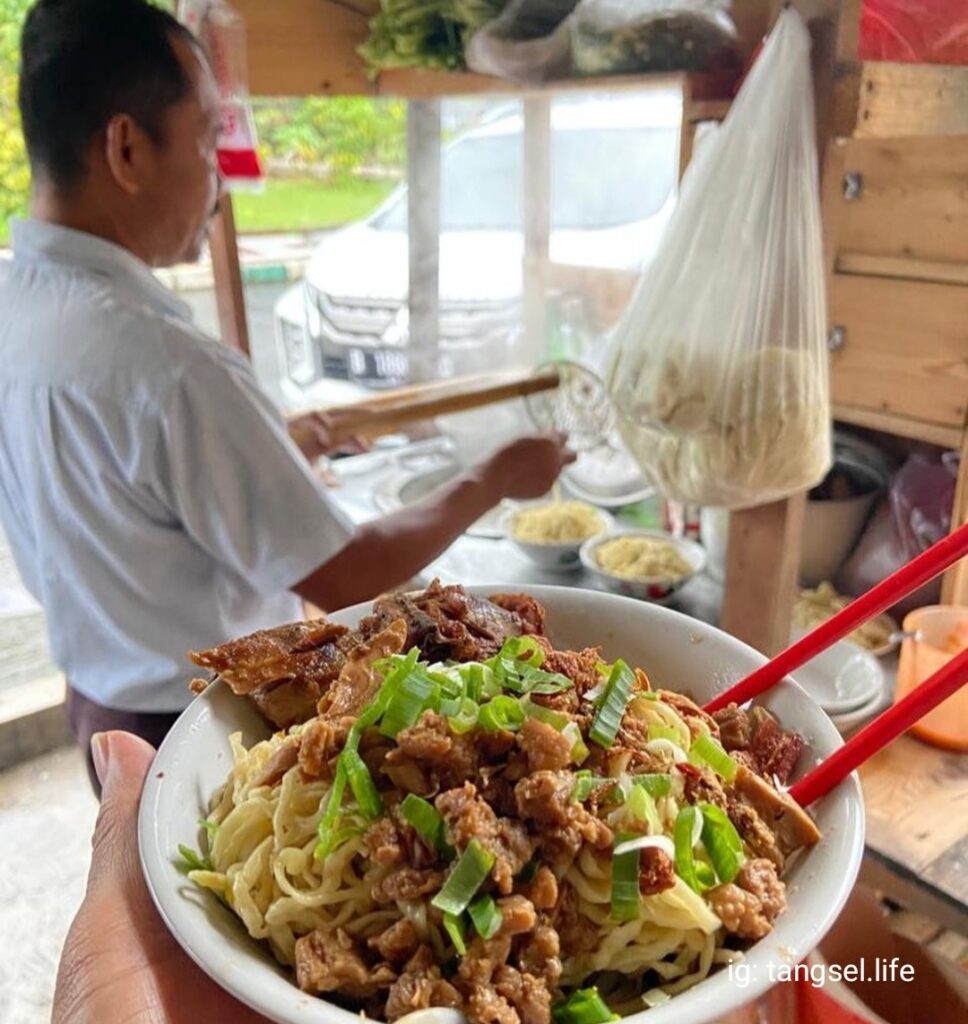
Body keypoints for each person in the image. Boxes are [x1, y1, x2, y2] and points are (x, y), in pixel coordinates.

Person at [0, 0, 573, 792]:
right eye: (208, 141)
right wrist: (498, 477)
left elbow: (115, 485)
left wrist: (273, 439)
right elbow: (345, 575)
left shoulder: (19, 301)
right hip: (196, 726)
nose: (221, 179)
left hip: (99, 707)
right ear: (126, 148)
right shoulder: (169, 364)